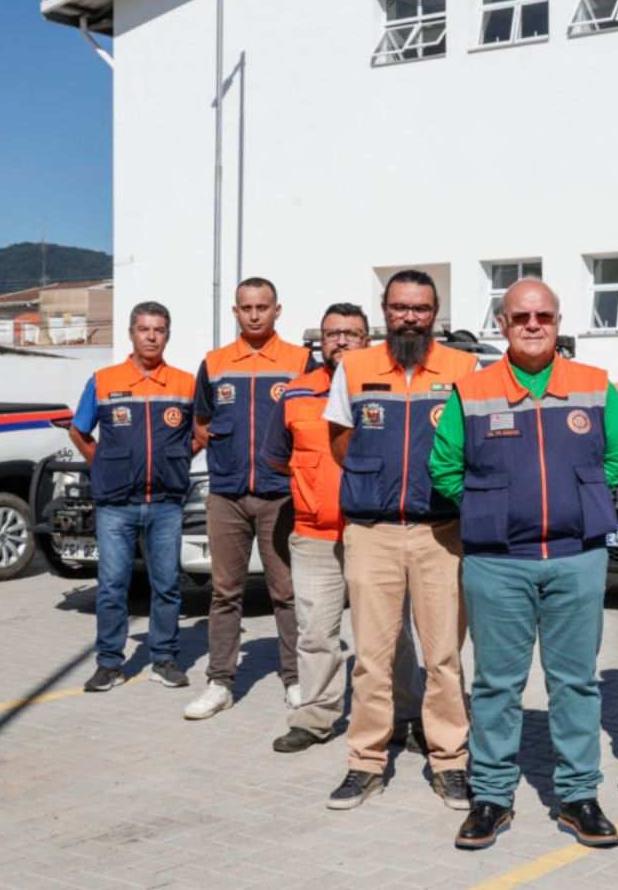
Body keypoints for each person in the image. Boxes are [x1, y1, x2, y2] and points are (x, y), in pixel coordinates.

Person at [430, 279, 618, 851]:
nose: (533, 324)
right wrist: (489, 509)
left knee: (576, 682)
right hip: (499, 564)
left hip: (577, 559)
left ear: (559, 320)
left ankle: (578, 796)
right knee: (497, 684)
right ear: (502, 324)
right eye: (521, 316)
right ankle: (491, 797)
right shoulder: (470, 392)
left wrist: (581, 495)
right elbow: (445, 468)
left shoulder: (594, 387)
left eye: (543, 314)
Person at [323, 269, 476, 810]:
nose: (409, 316)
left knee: (443, 659)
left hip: (442, 533)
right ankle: (364, 763)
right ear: (384, 310)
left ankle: (450, 762)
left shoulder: (463, 368)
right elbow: (341, 441)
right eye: (399, 307)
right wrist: (379, 480)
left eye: (421, 308)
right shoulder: (356, 366)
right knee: (371, 657)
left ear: (436, 314)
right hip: (372, 532)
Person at [263, 303, 424, 754]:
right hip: (316, 536)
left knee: (392, 631)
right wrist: (311, 489)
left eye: (351, 334)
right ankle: (314, 718)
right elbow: (277, 457)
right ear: (320, 341)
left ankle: (407, 716)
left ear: (367, 340)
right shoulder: (294, 394)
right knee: (315, 632)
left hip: (376, 531)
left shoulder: (384, 388)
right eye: (332, 334)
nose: (341, 341)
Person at [182, 277, 311, 720]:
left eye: (262, 306)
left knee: (287, 593)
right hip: (228, 497)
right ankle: (220, 682)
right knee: (224, 592)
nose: (254, 314)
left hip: (280, 497)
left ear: (277, 310)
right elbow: (200, 421)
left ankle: (296, 680)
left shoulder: (300, 362)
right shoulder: (215, 364)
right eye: (245, 307)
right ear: (235, 313)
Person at [70, 301, 199, 693]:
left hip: (165, 503)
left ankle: (163, 658)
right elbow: (79, 429)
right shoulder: (104, 380)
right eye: (144, 329)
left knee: (167, 586)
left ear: (167, 334)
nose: (151, 336)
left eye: (159, 329)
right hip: (116, 505)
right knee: (111, 586)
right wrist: (101, 463)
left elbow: (199, 435)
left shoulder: (184, 384)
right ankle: (109, 663)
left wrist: (178, 461)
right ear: (131, 333)